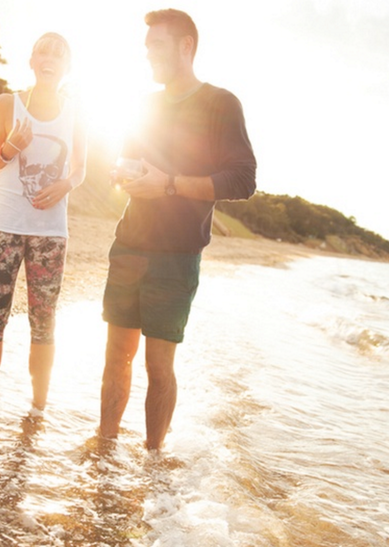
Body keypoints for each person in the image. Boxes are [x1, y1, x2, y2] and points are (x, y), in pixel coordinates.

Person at [99, 9, 257, 451]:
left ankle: (153, 461)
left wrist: (169, 184)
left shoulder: (221, 104)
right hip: (129, 244)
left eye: (158, 45)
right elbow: (129, 163)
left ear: (186, 46)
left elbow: (243, 179)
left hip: (177, 255)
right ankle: (104, 449)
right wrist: (124, 175)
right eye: (147, 45)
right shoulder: (144, 105)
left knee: (158, 364)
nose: (148, 53)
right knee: (115, 356)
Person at [0, 32, 87, 412]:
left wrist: (66, 184)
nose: (49, 60)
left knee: (44, 320)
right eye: (42, 52)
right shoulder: (7, 104)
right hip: (3, 225)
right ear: (32, 61)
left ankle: (38, 409)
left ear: (67, 67)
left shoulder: (76, 112)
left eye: (57, 55)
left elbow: (80, 168)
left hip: (50, 233)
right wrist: (9, 149)